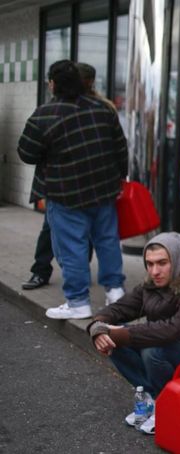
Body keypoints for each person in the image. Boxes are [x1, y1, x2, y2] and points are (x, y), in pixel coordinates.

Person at [87, 232, 180, 435]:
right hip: (172, 349)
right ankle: (152, 398)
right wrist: (98, 327)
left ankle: (165, 404)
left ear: (177, 259)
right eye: (149, 264)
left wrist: (121, 333)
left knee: (153, 349)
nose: (155, 271)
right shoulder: (153, 282)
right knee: (113, 341)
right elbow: (120, 308)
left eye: (162, 263)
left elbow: (175, 329)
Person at [17, 60, 127, 319]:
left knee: (72, 247)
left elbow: (26, 153)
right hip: (104, 190)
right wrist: (119, 179)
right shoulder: (103, 109)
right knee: (107, 240)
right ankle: (116, 291)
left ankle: (78, 302)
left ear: (53, 84)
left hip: (64, 194)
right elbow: (120, 147)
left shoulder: (44, 115)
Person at [21, 63, 107, 294]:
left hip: (86, 184)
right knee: (51, 230)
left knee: (83, 231)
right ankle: (43, 269)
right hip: (61, 186)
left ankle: (75, 275)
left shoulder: (99, 108)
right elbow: (29, 150)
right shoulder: (55, 109)